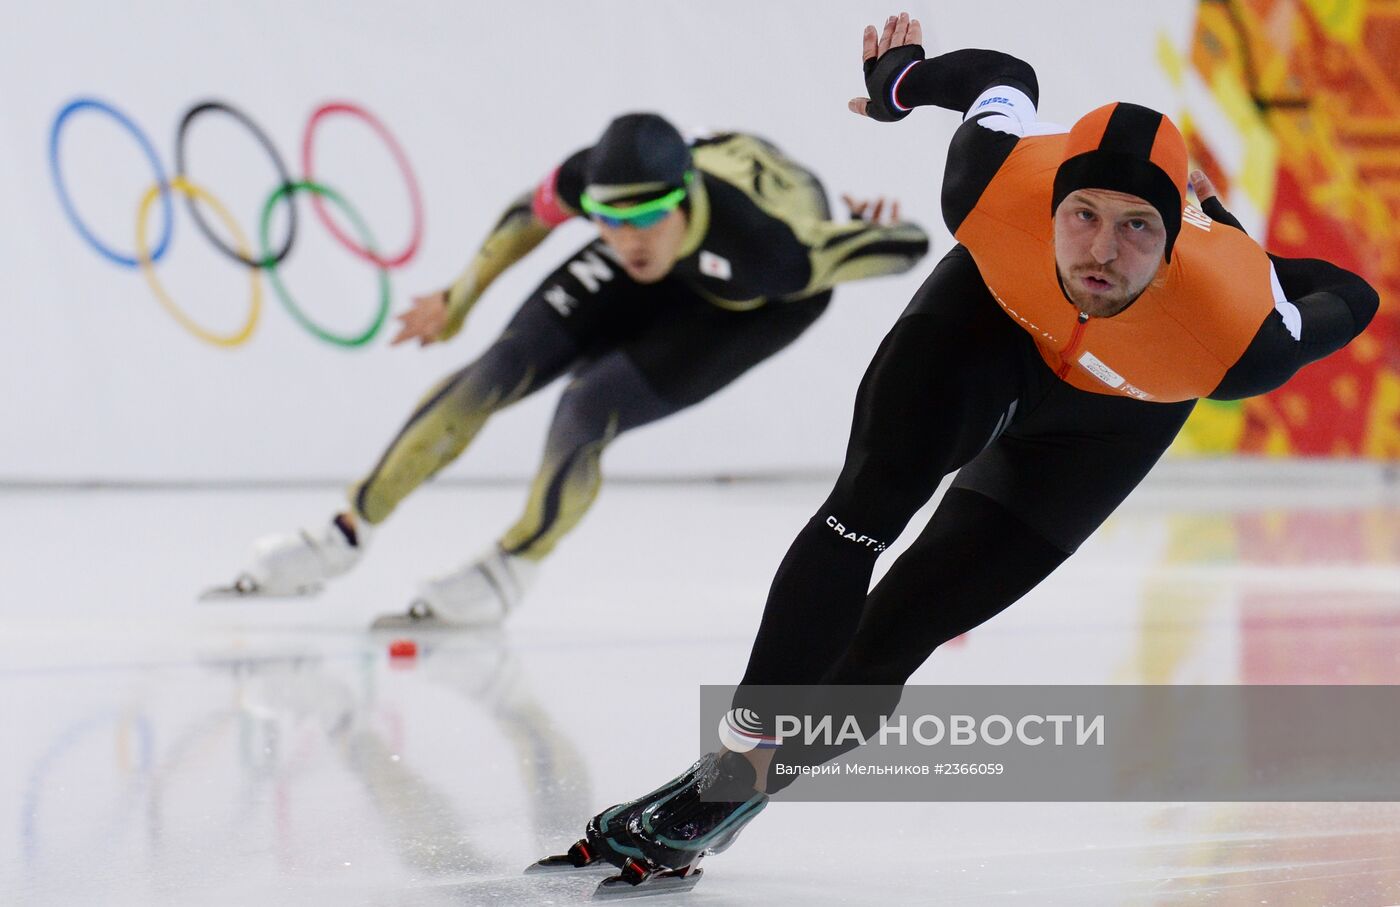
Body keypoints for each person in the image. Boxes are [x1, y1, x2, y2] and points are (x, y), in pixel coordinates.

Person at [551, 14, 1379, 892]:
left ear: (1177, 238)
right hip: (985, 331)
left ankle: (726, 796)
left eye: (1139, 227)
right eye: (1084, 214)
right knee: (864, 511)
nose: (1101, 250)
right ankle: (744, 753)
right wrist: (899, 84)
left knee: (899, 630)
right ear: (1052, 199)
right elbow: (1001, 77)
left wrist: (1236, 242)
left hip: (1105, 428)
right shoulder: (993, 181)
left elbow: (1351, 292)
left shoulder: (1240, 332)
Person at [216, 112, 930, 627]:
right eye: (608, 219)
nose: (626, 237)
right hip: (691, 250)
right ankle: (345, 532)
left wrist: (868, 223)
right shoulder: (609, 192)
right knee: (497, 366)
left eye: (646, 216)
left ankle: (513, 563)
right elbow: (527, 215)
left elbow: (910, 244)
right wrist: (458, 299)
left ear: (681, 199)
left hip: (748, 300)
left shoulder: (779, 250)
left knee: (586, 407)